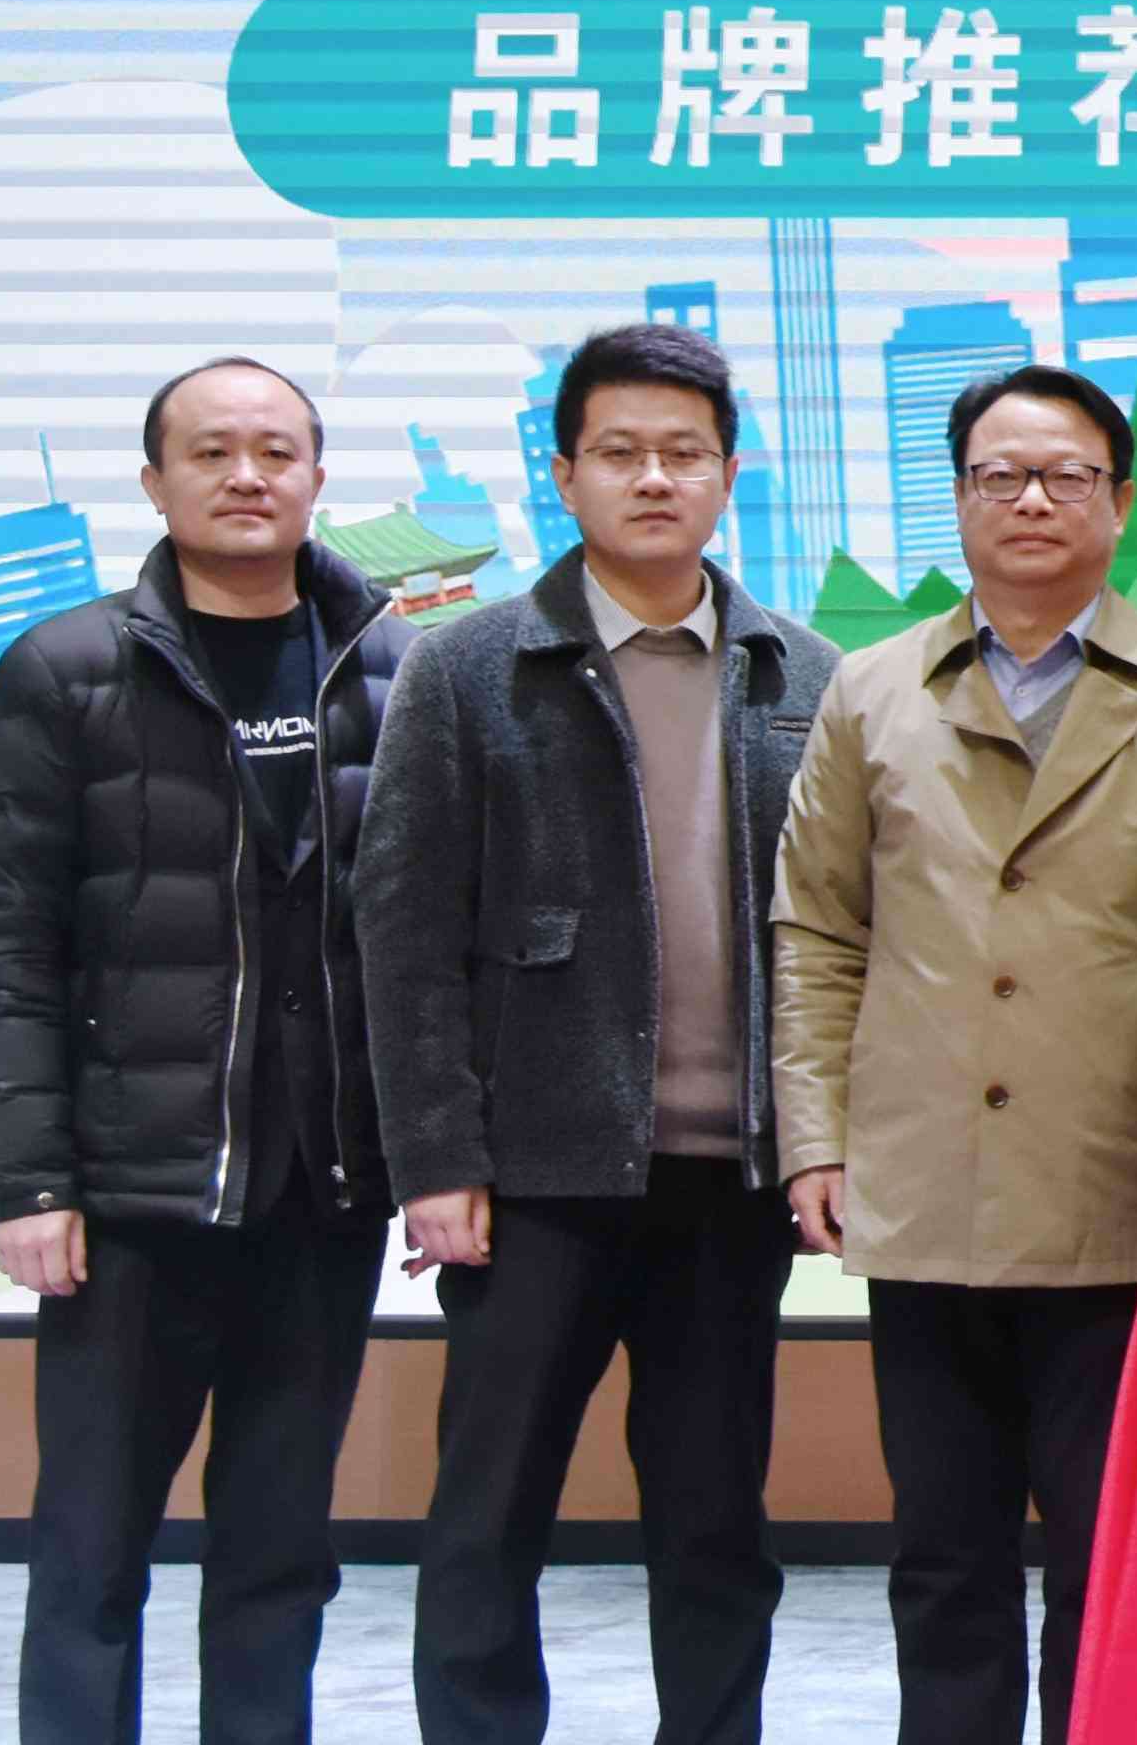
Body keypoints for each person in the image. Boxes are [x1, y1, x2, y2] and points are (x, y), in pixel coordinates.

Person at [354, 322, 842, 1745]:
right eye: (619, 452)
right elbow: (404, 933)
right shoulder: (467, 667)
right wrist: (437, 1159)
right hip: (532, 1178)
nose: (653, 479)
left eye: (684, 453)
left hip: (727, 1184)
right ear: (562, 475)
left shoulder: (804, 673)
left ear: (730, 475)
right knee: (487, 1518)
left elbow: (838, 936)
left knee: (714, 1525)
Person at [0, 358, 412, 1745]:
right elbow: (6, 945)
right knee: (92, 1548)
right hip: (128, 1197)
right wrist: (28, 1182)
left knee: (281, 1547)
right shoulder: (67, 669)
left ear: (318, 478)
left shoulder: (393, 668)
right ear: (155, 483)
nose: (246, 475)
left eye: (276, 450)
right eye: (211, 452)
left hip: (322, 1193)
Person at [770, 362, 1137, 1745]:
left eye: (1065, 475)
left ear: (1120, 501)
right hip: (926, 1191)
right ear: (960, 498)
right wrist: (816, 1136)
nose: (1032, 499)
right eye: (999, 476)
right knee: (943, 1557)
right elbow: (816, 928)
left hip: (1120, 1188)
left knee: (1109, 1555)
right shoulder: (870, 691)